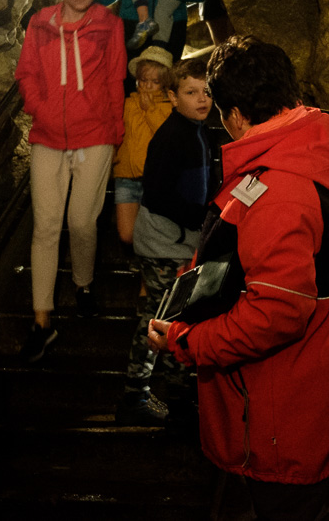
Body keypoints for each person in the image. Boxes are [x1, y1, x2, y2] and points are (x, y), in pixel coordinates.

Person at [148, 37, 329, 519]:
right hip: (311, 410)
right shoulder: (318, 161)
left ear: (233, 115)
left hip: (280, 432)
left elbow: (275, 314)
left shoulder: (281, 190)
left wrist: (188, 341)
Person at [15, 0, 126, 363]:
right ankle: (41, 320)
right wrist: (38, 106)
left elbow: (115, 78)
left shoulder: (109, 25)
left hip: (94, 134)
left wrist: (115, 132)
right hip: (47, 136)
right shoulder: (40, 24)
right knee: (45, 226)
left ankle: (83, 283)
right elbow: (26, 72)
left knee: (81, 220)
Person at [117, 57, 214, 427]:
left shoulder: (197, 131)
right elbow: (157, 194)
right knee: (168, 321)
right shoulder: (175, 136)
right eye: (191, 92)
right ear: (172, 97)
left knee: (162, 318)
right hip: (164, 244)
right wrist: (199, 218)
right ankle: (164, 396)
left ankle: (147, 393)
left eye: (206, 92)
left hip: (176, 241)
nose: (201, 99)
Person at [111, 45, 174, 260]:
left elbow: (166, 137)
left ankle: (147, 279)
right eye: (144, 80)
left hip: (154, 179)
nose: (148, 86)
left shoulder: (169, 108)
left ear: (165, 84)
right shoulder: (127, 103)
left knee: (155, 232)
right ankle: (145, 264)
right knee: (127, 234)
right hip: (126, 176)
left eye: (155, 82)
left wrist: (150, 111)